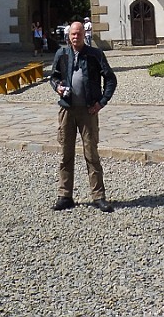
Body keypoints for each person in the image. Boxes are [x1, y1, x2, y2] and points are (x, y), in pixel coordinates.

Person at [50, 20, 117, 212]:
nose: (76, 36)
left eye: (79, 33)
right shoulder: (62, 54)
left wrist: (101, 102)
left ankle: (98, 196)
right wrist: (58, 88)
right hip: (67, 110)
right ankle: (65, 195)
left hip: (88, 111)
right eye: (73, 34)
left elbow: (110, 79)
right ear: (68, 35)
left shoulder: (95, 54)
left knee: (91, 155)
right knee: (65, 154)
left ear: (84, 34)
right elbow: (53, 77)